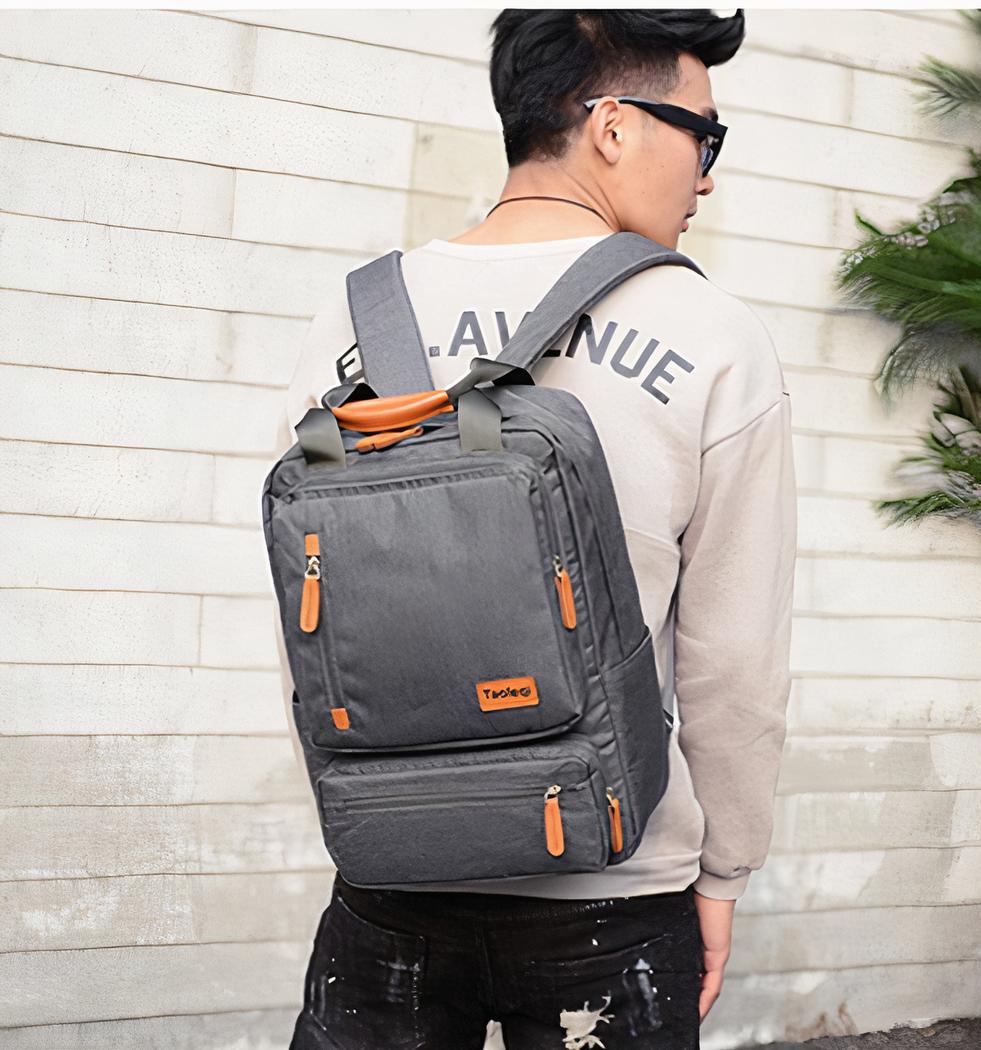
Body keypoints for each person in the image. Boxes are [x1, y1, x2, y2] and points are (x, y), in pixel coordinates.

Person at [274, 9, 797, 1048]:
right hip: (612, 888)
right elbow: (734, 659)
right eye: (704, 135)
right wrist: (724, 870)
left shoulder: (355, 320)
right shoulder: (714, 337)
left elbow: (304, 622)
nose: (706, 178)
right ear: (613, 125)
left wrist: (380, 810)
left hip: (390, 881)